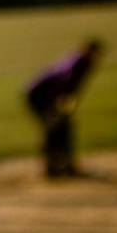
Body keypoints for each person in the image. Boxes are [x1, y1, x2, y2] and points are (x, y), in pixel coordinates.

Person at [25, 38, 104, 180]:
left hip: (47, 95)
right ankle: (54, 168)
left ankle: (63, 167)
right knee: (54, 129)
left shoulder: (78, 59)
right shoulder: (80, 62)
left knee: (62, 128)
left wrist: (65, 105)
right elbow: (66, 84)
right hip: (39, 96)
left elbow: (71, 87)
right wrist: (61, 105)